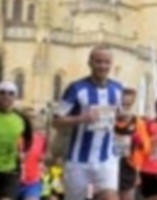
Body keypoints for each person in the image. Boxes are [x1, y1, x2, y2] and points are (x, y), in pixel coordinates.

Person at [53, 45, 124, 200]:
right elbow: (56, 120)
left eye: (107, 62)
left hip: (106, 159)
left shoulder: (118, 89)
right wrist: (81, 118)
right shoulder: (76, 88)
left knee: (110, 197)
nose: (103, 66)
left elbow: (118, 117)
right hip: (78, 161)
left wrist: (124, 120)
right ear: (90, 63)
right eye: (98, 62)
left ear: (111, 64)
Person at [115, 88, 150, 200]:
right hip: (108, 162)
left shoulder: (138, 123)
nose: (124, 107)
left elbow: (146, 147)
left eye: (128, 104)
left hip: (127, 164)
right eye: (122, 103)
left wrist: (139, 142)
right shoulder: (109, 119)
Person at [19, 109, 48, 200]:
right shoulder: (15, 137)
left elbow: (43, 157)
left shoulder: (41, 139)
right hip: (13, 182)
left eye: (33, 118)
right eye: (27, 118)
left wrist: (42, 163)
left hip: (33, 183)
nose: (31, 121)